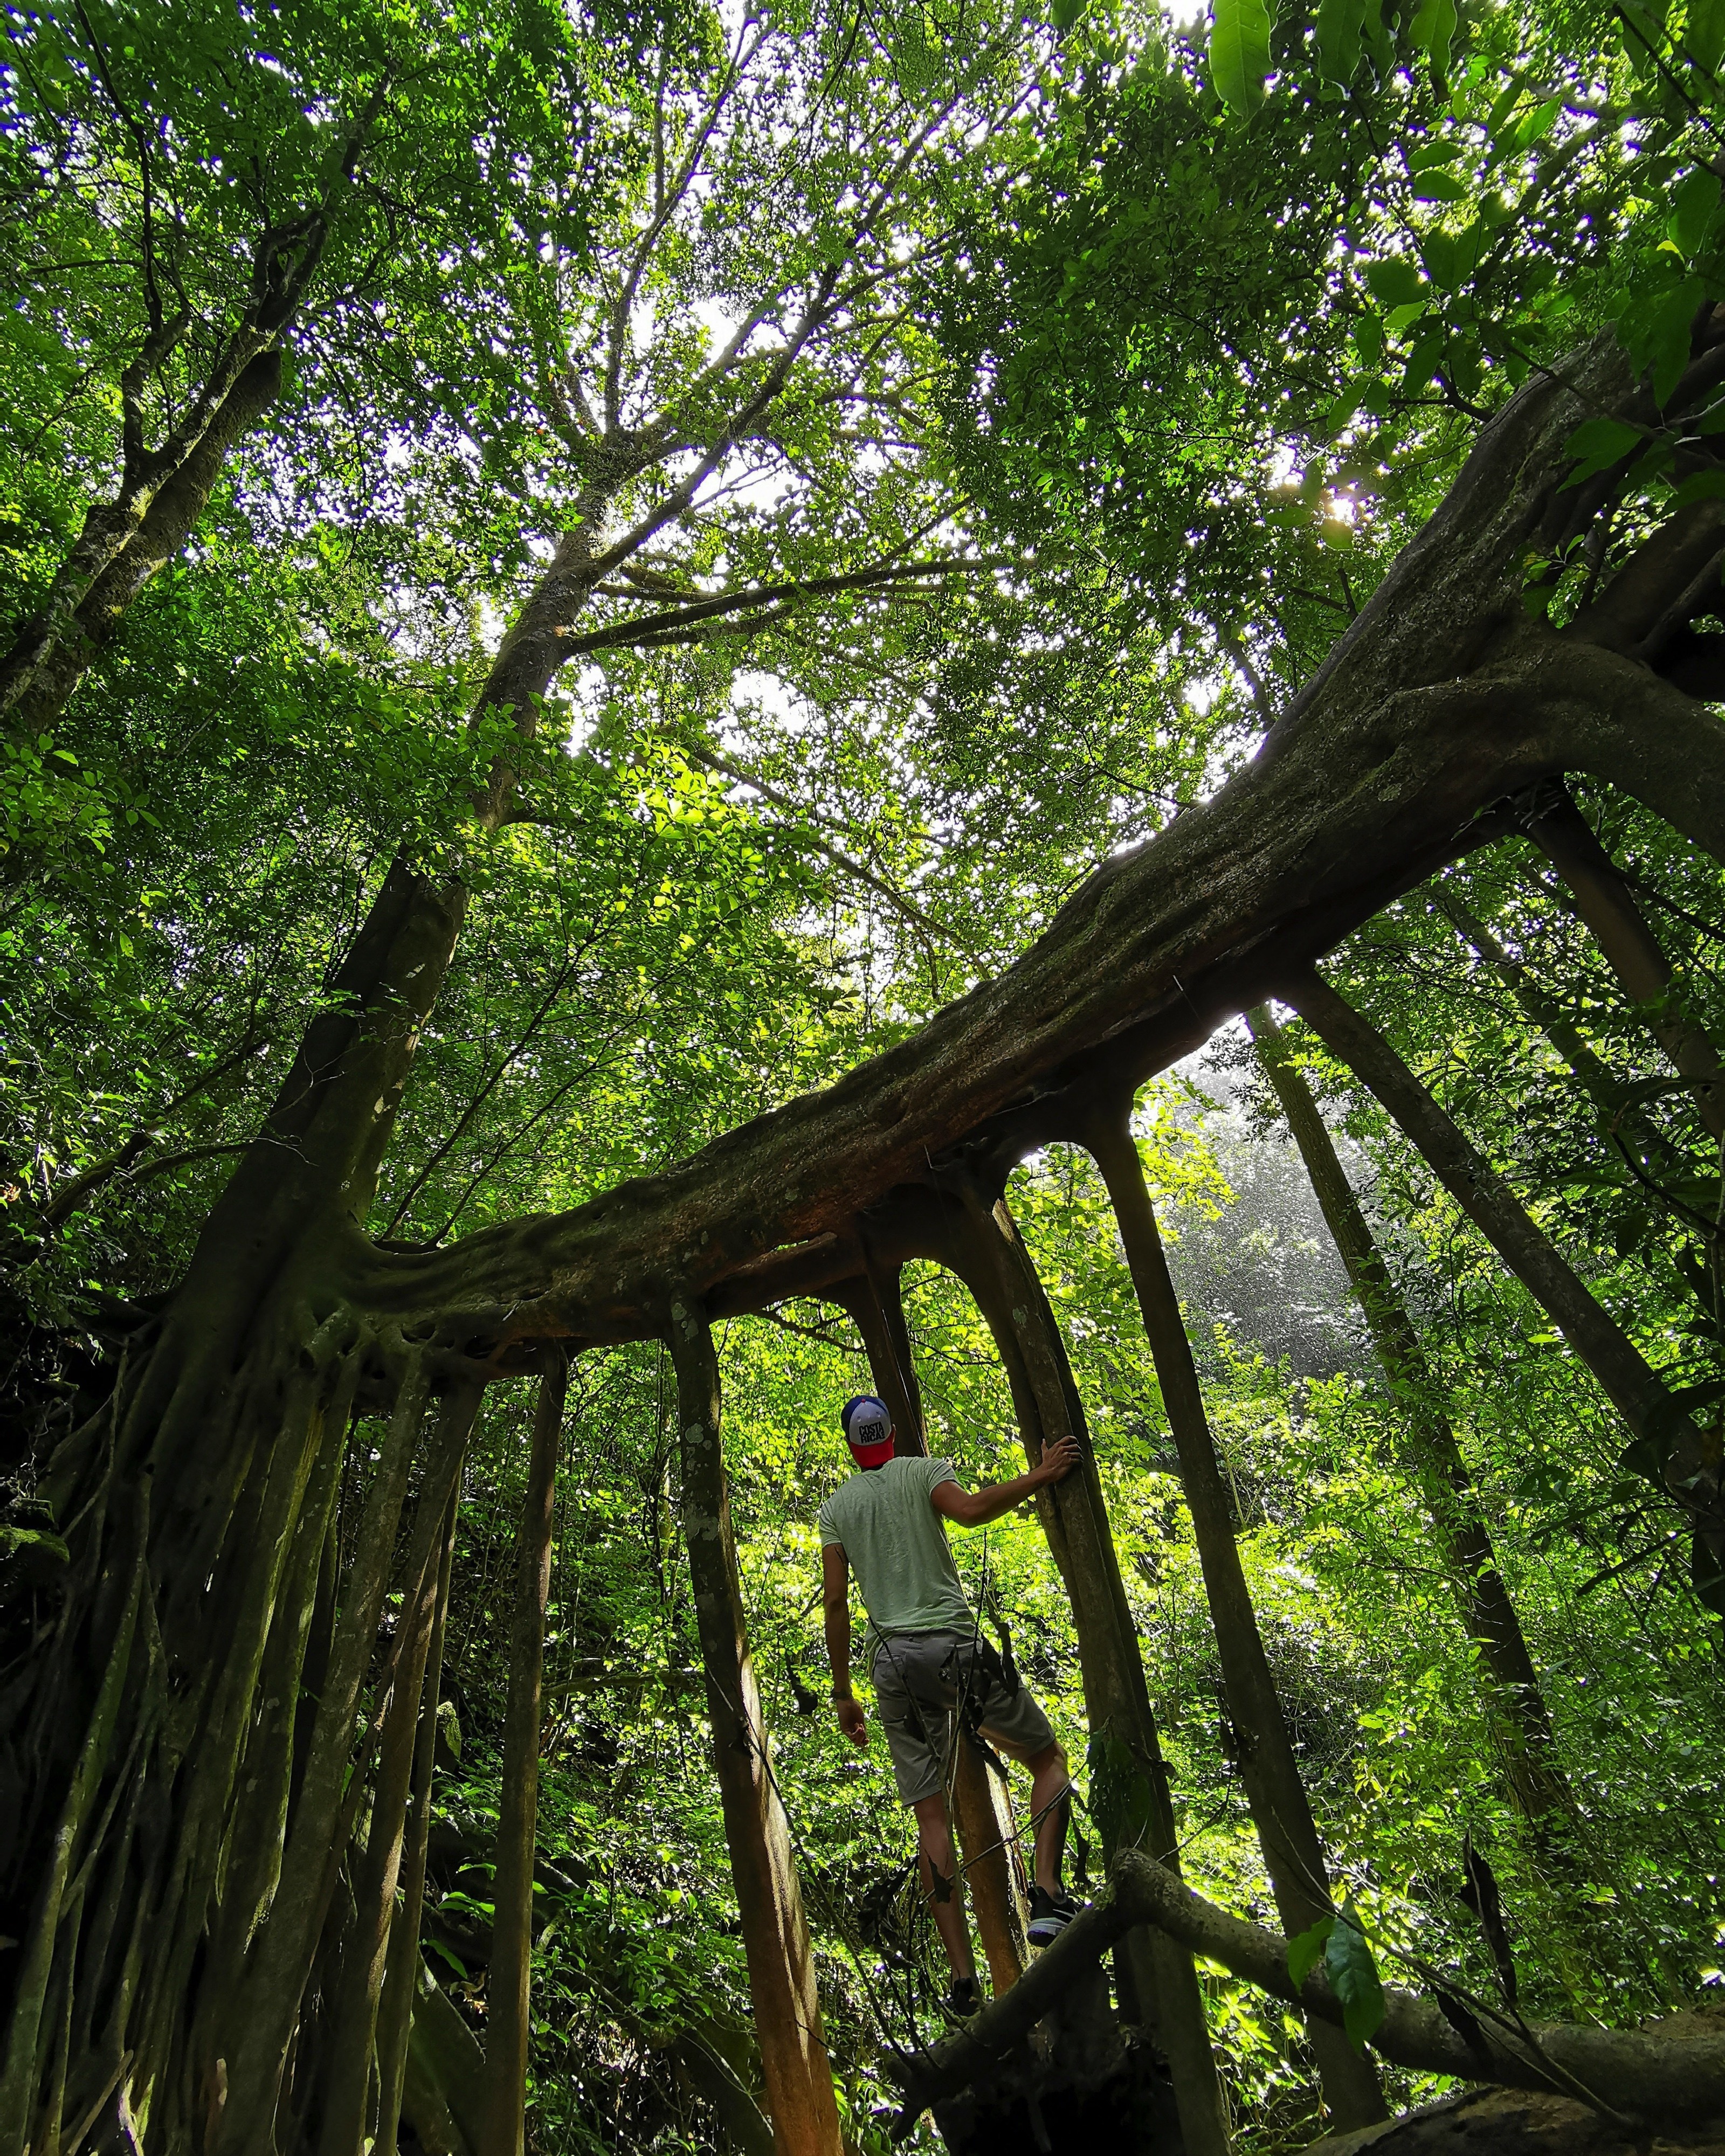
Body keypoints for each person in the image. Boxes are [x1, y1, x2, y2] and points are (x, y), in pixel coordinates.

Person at [818, 1393, 1085, 2018]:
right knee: (1047, 1757)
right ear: (890, 1434)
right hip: (954, 1650)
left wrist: (841, 1692)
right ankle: (1045, 1895)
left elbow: (835, 1603)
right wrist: (1040, 1474)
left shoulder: (837, 1508)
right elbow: (967, 1511)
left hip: (891, 1667)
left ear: (852, 1446)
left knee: (931, 1819)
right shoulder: (923, 1471)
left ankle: (962, 1977)